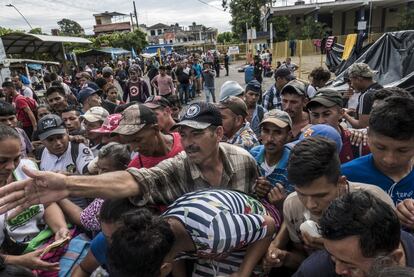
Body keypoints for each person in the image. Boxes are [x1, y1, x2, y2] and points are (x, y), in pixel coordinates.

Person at [0, 102, 261, 218]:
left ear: (218, 134)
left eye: (197, 134)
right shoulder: (177, 166)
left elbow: (259, 211)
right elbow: (132, 180)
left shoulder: (244, 160)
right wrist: (68, 186)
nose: (190, 141)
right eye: (184, 133)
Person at [264, 137, 394, 273]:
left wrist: (331, 249)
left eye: (321, 195)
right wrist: (285, 258)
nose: (310, 205)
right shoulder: (292, 205)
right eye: (301, 194)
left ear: (341, 183)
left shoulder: (375, 202)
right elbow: (303, 259)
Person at [108, 189, 279, 277]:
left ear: (164, 269)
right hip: (215, 243)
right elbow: (177, 257)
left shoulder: (217, 232)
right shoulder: (158, 232)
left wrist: (243, 273)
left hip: (255, 234)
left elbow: (268, 225)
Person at [293, 191, 414, 277]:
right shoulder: (315, 271)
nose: (338, 270)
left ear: (392, 260)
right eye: (334, 258)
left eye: (352, 267)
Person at [0, 126, 69, 272]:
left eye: (17, 158)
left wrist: (60, 229)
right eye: (2, 160)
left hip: (46, 243)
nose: (11, 166)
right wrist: (19, 261)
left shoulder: (27, 169)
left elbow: (47, 203)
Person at [341, 96, 414, 205]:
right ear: (368, 134)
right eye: (380, 147)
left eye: (402, 150)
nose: (389, 160)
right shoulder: (346, 176)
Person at [58, 143, 130, 234]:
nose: (100, 174)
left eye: (105, 170)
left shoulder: (113, 195)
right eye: (98, 169)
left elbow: (83, 220)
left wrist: (59, 197)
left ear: (123, 169)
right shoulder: (121, 186)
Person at [36, 114, 94, 208]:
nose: (57, 143)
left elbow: (91, 176)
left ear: (67, 133)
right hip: (51, 207)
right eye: (50, 140)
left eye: (60, 137)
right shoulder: (40, 152)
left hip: (79, 205)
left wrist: (63, 178)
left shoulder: (78, 148)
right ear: (41, 140)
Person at [71, 198, 139, 277]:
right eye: (106, 236)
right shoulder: (104, 241)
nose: (111, 243)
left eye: (117, 237)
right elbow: (83, 269)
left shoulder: (151, 249)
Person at [307, 88, 370, 163]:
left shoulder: (357, 143)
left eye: (326, 114)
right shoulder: (305, 140)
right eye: (315, 115)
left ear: (341, 113)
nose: (320, 121)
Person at [250, 109, 294, 204]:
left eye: (277, 132)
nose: (270, 139)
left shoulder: (293, 165)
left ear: (288, 135)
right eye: (266, 131)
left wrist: (282, 203)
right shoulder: (253, 155)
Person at [343, 63, 383, 129]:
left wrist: (344, 114)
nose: (352, 85)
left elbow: (362, 126)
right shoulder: (380, 88)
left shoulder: (365, 96)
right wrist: (355, 113)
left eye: (351, 81)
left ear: (359, 79)